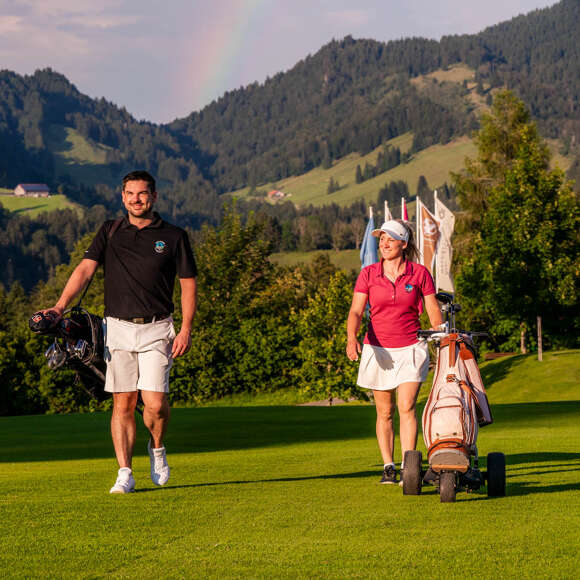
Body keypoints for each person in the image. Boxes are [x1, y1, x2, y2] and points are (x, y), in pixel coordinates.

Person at [42, 170, 197, 494]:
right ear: (122, 196)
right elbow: (85, 269)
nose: (136, 199)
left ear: (154, 197)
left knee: (155, 404)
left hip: (158, 328)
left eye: (142, 194)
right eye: (130, 194)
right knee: (123, 403)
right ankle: (124, 472)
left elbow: (188, 285)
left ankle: (157, 448)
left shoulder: (173, 235)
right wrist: (59, 306)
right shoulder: (109, 231)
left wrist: (185, 329)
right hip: (116, 330)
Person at [346, 219, 442, 486]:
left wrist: (439, 332)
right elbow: (356, 311)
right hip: (378, 349)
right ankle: (388, 466)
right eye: (381, 239)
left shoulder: (419, 273)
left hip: (412, 347)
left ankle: (408, 467)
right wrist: (351, 338)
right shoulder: (368, 274)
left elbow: (432, 308)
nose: (384, 244)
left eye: (390, 239)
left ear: (403, 243)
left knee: (406, 406)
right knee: (385, 411)